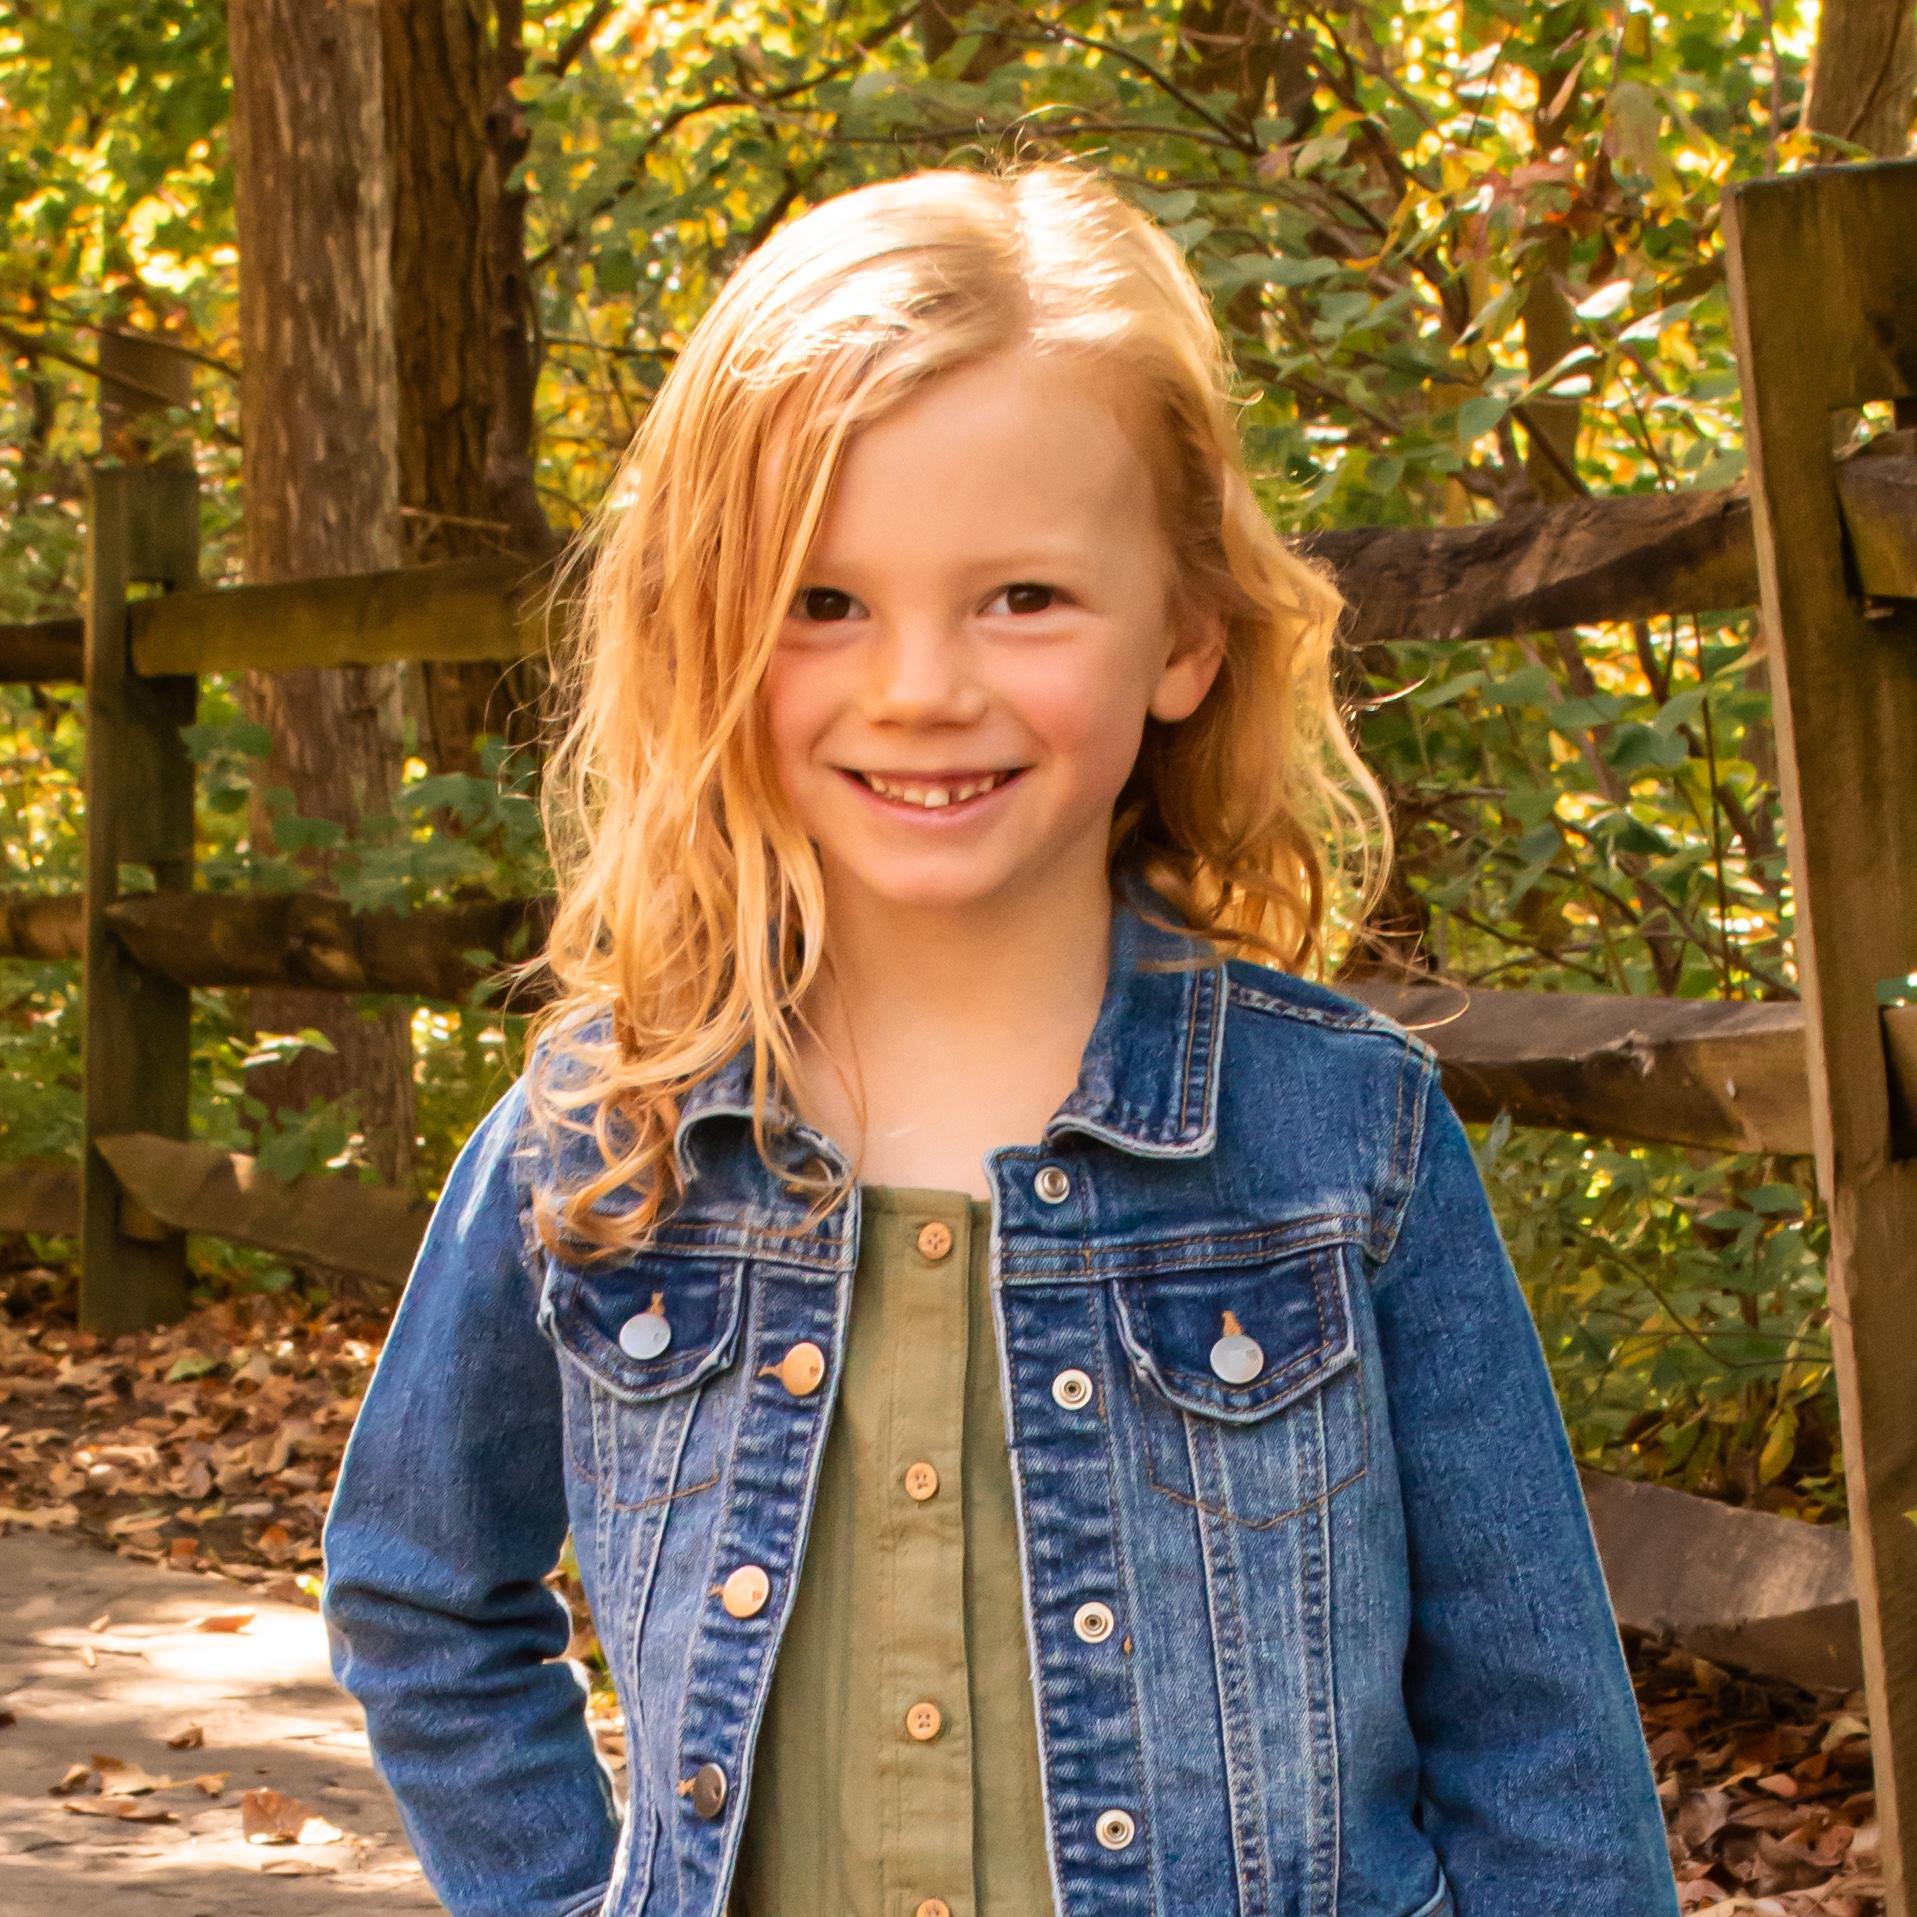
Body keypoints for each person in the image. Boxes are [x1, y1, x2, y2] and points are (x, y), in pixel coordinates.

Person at [319, 157, 1680, 1917]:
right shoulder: (605, 1134)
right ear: (707, 629)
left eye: (1022, 596)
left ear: (1185, 632)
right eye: (822, 602)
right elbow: (421, 1592)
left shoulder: (1341, 1134)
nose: (920, 688)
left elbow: (1540, 1739)